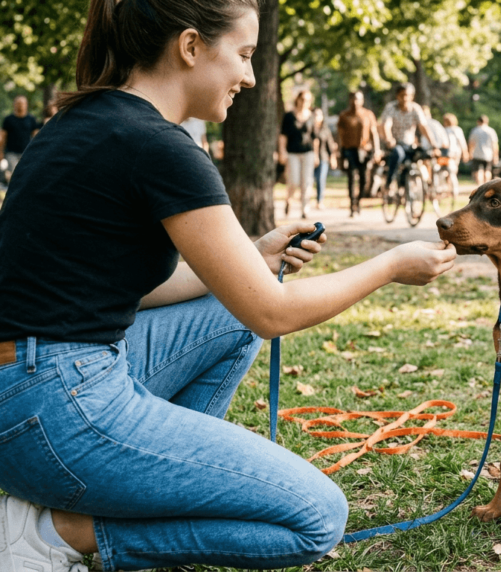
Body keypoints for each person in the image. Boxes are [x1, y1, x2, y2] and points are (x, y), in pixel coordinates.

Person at [0, 2, 456, 572]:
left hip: (26, 391)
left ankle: (153, 481)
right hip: (55, 406)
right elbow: (273, 313)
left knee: (227, 311)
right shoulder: (161, 148)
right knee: (316, 517)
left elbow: (125, 289)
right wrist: (391, 265)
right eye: (243, 55)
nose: (251, 76)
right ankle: (56, 533)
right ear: (191, 47)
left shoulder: (82, 122)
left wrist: (254, 258)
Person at [378, 83, 437, 193]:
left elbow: (423, 127)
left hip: (410, 145)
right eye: (402, 95)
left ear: (412, 96)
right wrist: (389, 139)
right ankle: (389, 183)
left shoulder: (415, 108)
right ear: (397, 96)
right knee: (398, 154)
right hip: (395, 144)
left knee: (426, 154)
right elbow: (386, 125)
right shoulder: (391, 108)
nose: (405, 98)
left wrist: (433, 144)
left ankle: (428, 186)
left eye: (407, 95)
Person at [336, 90, 379, 216]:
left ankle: (358, 201)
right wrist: (339, 152)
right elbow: (339, 135)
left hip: (364, 150)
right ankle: (352, 204)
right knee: (351, 177)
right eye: (353, 99)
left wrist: (376, 150)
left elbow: (374, 133)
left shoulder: (368, 114)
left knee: (363, 178)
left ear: (362, 100)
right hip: (349, 150)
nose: (355, 102)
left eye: (358, 99)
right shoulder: (344, 115)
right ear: (349, 100)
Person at [278, 89, 316, 218]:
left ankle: (305, 209)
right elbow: (283, 136)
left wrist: (316, 154)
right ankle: (289, 200)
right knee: (293, 181)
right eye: (302, 99)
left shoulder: (311, 116)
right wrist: (282, 151)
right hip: (293, 153)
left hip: (308, 153)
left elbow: (314, 137)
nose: (304, 102)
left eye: (307, 100)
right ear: (298, 100)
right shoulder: (289, 116)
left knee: (306, 182)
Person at [1, 95, 40, 184]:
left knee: (25, 174)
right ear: (14, 105)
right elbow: (3, 137)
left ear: (26, 105)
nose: (20, 105)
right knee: (15, 174)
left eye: (22, 103)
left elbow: (37, 136)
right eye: (18, 103)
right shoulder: (8, 120)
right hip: (11, 153)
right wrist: (1, 152)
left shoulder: (31, 119)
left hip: (26, 152)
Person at [311, 108, 337, 210]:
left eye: (319, 115)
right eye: (315, 114)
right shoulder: (309, 128)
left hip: (323, 158)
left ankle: (319, 200)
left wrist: (333, 157)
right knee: (309, 180)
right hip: (309, 157)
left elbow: (330, 144)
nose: (317, 117)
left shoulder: (325, 129)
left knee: (320, 179)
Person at [467, 115, 499, 187]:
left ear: (478, 121)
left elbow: (471, 143)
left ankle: (479, 186)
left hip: (477, 154)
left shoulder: (475, 130)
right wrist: (495, 155)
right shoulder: (491, 131)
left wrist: (470, 153)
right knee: (487, 170)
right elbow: (494, 144)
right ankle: (487, 185)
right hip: (488, 154)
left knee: (478, 171)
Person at [442, 113, 468, 197]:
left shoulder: (444, 130)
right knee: (453, 171)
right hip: (456, 154)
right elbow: (462, 143)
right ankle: (453, 190)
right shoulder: (457, 129)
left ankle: (449, 189)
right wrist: (465, 153)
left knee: (447, 171)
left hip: (446, 153)